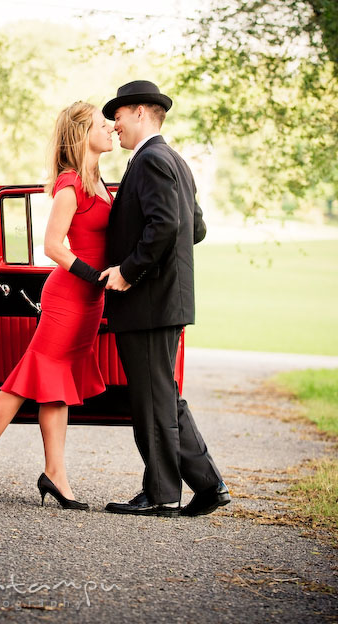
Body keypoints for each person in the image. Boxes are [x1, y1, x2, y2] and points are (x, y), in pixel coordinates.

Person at [0, 101, 114, 509]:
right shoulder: (71, 183)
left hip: (90, 300)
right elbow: (52, 246)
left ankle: (55, 473)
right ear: (83, 133)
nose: (112, 127)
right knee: (25, 380)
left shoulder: (98, 179)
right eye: (103, 123)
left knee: (56, 386)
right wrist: (92, 275)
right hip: (68, 296)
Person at [100, 80, 230, 517]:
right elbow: (195, 228)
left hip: (149, 301)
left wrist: (129, 271)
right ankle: (208, 486)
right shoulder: (174, 160)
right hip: (163, 299)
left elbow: (167, 226)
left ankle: (161, 493)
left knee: (151, 398)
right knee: (162, 395)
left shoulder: (151, 161)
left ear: (139, 112)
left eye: (117, 115)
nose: (113, 124)